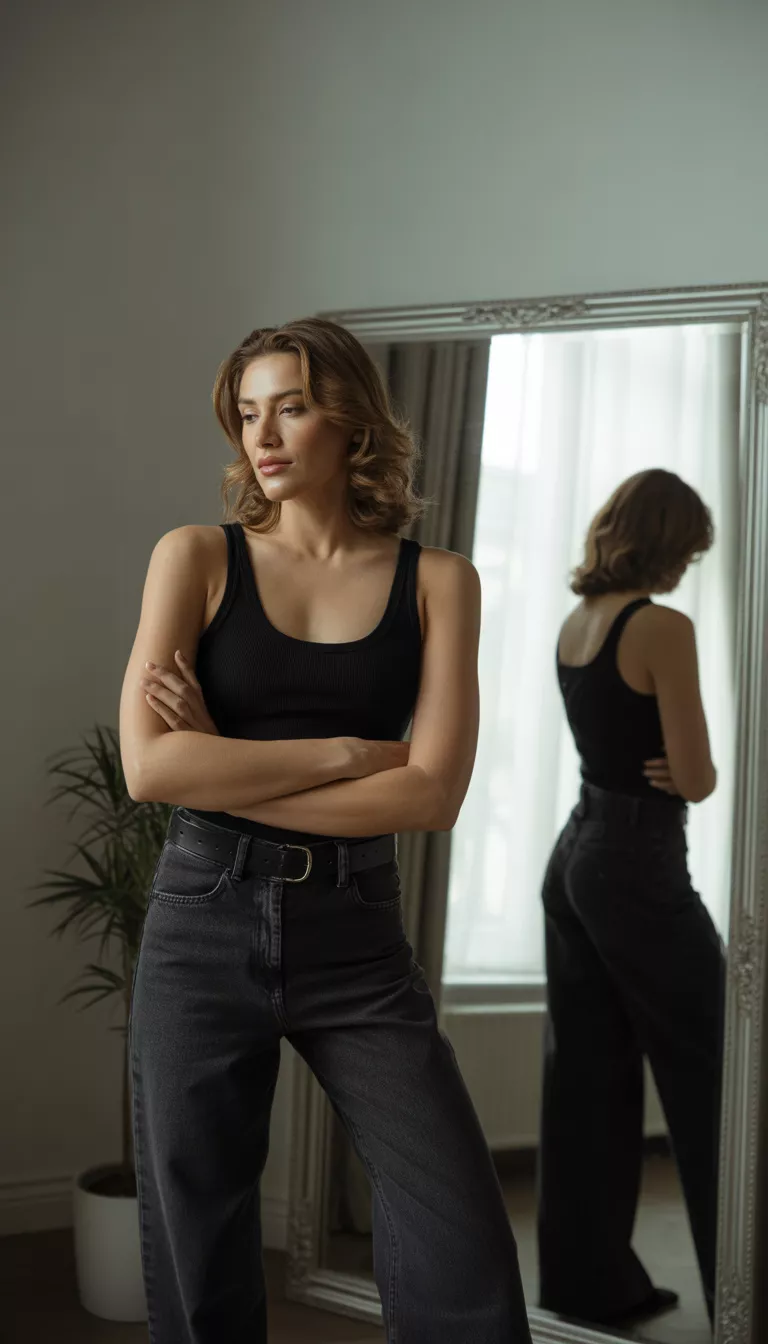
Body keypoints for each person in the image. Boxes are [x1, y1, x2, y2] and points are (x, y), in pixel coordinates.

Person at [120, 317, 531, 1344]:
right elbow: (151, 768)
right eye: (249, 412)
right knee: (198, 1239)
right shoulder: (195, 559)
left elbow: (430, 797)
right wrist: (342, 755)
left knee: (460, 1238)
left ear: (349, 420)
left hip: (356, 927)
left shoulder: (439, 584)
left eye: (292, 406)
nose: (264, 434)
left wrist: (224, 761)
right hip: (202, 919)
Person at [537, 468, 726, 1331]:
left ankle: (590, 1285)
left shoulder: (577, 623)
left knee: (585, 1079)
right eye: (688, 548)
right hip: (634, 861)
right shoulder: (662, 627)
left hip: (575, 853)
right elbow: (693, 778)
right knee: (722, 1072)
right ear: (665, 541)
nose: (689, 565)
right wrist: (694, 771)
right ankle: (748, 1289)